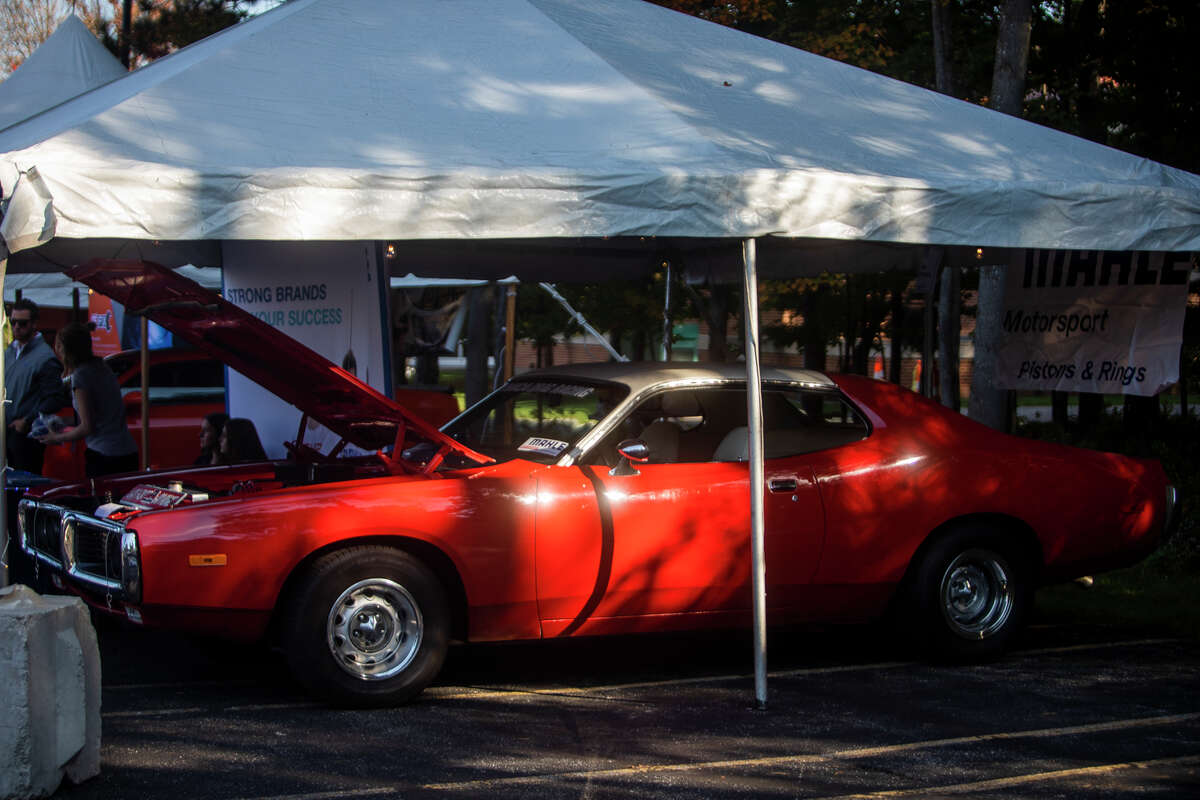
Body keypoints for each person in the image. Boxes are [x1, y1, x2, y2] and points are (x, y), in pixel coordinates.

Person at [37, 322, 139, 477]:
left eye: (57, 345)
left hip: (105, 456)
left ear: (65, 350)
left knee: (104, 500)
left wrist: (57, 438)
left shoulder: (82, 376)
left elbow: (87, 427)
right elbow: (97, 415)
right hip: (126, 451)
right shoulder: (102, 367)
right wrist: (64, 422)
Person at [4, 299, 67, 474]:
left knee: (24, 483)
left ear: (33, 324)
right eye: (13, 322)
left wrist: (27, 420)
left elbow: (55, 398)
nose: (17, 327)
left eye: (22, 323)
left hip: (25, 436)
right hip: (7, 432)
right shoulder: (10, 352)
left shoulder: (45, 358)